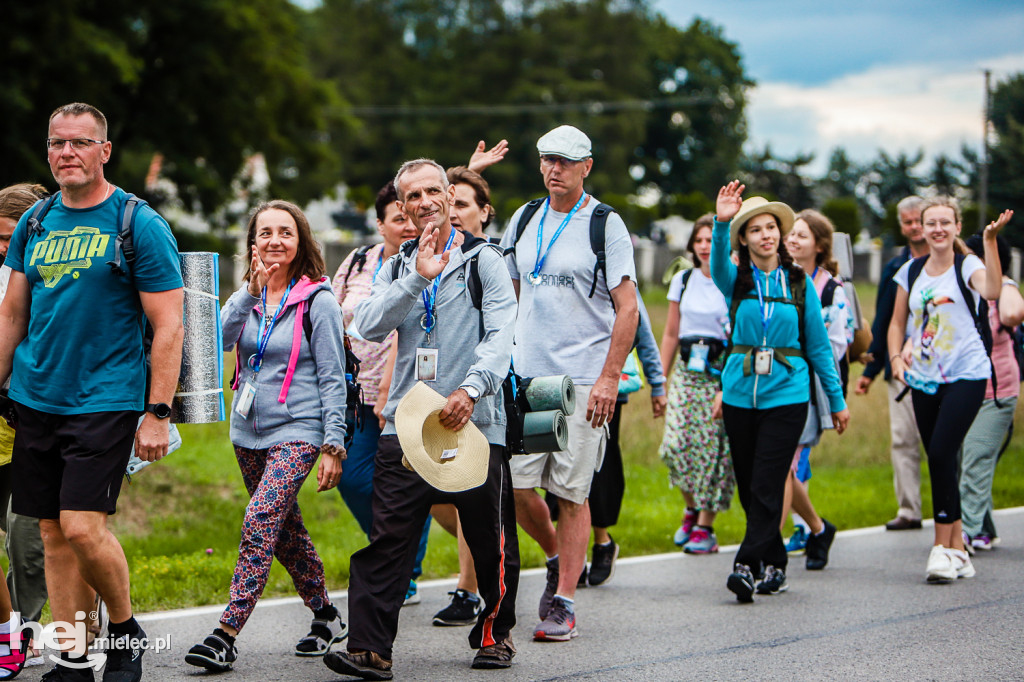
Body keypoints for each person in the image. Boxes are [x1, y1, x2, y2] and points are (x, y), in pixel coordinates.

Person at [0, 102, 184, 681]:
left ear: (104, 151)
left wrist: (156, 413)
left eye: (79, 143)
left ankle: (125, 631)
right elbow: (12, 314)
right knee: (51, 531)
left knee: (82, 526)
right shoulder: (35, 224)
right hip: (36, 398)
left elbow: (170, 325)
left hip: (105, 398)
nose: (66, 153)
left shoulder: (137, 223)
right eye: (57, 143)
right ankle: (72, 657)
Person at [326, 158, 519, 678]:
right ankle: (370, 648)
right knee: (388, 539)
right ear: (404, 207)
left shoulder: (486, 261)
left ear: (448, 194)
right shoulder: (397, 265)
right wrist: (415, 278)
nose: (427, 202)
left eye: (436, 191)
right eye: (414, 196)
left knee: (489, 537)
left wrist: (472, 389)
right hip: (406, 426)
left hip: (475, 419)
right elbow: (365, 325)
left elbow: (503, 334)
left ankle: (494, 634)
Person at [186, 200, 348, 671]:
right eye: (265, 233)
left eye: (285, 232)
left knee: (260, 519)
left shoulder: (318, 300)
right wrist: (248, 291)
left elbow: (333, 378)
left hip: (298, 430)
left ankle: (226, 633)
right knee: (285, 532)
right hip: (247, 431)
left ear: (301, 242)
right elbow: (215, 341)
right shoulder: (250, 297)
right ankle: (326, 615)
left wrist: (332, 444)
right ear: (252, 242)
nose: (275, 240)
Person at [500, 125, 638, 641]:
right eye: (546, 159)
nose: (553, 168)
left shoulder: (607, 225)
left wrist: (609, 378)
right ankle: (562, 558)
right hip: (525, 377)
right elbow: (508, 292)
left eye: (564, 160)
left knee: (572, 493)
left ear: (587, 167)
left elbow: (627, 309)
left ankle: (563, 601)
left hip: (581, 382)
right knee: (514, 485)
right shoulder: (525, 216)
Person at [711, 181, 849, 603]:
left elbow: (820, 347)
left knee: (769, 481)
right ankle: (775, 563)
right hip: (738, 393)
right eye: (755, 230)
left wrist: (837, 401)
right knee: (753, 484)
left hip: (788, 393)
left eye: (771, 227)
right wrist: (720, 223)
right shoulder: (735, 279)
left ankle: (745, 565)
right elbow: (717, 264)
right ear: (745, 239)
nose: (766, 235)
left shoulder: (799, 282)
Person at [888, 198, 1012, 582]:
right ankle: (958, 549)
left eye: (946, 222)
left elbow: (992, 290)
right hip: (924, 377)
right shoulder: (909, 272)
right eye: (931, 223)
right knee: (940, 459)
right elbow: (896, 323)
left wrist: (989, 241)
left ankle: (941, 549)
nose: (938, 228)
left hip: (967, 374)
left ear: (957, 227)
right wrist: (895, 358)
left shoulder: (968, 264)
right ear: (921, 229)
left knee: (942, 451)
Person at [332, 182, 431, 607]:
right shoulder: (358, 261)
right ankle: (394, 551)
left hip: (406, 394)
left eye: (412, 216)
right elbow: (331, 312)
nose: (408, 224)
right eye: (398, 218)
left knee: (405, 483)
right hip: (357, 392)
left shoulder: (429, 263)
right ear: (380, 224)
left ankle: (403, 572)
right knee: (353, 479)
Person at [545, 288, 665, 586]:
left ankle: (602, 542)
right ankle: (571, 557)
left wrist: (657, 382)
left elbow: (643, 330)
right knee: (559, 469)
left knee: (599, 469)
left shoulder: (615, 273)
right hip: (560, 383)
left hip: (606, 389)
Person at [779, 210, 852, 569]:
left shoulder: (831, 289)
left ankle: (768, 551)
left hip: (808, 387)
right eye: (790, 234)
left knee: (783, 467)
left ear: (820, 246)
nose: (792, 240)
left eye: (802, 236)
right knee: (783, 468)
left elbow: (836, 346)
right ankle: (818, 528)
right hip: (775, 381)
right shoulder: (776, 277)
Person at [658, 215, 733, 555]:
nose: (705, 246)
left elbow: (737, 337)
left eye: (711, 240)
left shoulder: (731, 281)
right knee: (674, 446)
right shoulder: (683, 279)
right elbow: (672, 332)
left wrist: (726, 387)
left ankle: (705, 526)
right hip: (687, 372)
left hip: (719, 372)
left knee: (714, 452)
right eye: (700, 240)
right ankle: (690, 508)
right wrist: (659, 379)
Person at [0, 183, 51, 679]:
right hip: (2, 424)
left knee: (26, 535)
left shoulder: (52, 273)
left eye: (8, 235)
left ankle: (26, 629)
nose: (2, 246)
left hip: (40, 421)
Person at [856, 197, 928, 531]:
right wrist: (871, 369)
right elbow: (884, 321)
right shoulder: (894, 268)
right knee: (903, 438)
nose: (915, 227)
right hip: (901, 365)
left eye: (919, 221)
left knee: (946, 441)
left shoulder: (952, 261)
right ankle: (909, 509)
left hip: (943, 364)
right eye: (908, 222)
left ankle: (957, 511)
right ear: (901, 226)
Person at [959, 233, 1023, 552]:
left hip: (998, 392)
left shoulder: (1003, 290)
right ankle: (984, 527)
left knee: (975, 454)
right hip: (965, 388)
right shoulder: (963, 291)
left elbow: (1012, 315)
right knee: (964, 458)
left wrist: (1004, 284)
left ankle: (967, 532)